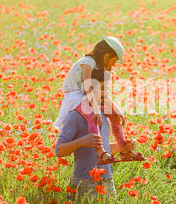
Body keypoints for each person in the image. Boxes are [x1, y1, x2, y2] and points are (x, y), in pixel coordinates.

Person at [54, 70, 138, 202]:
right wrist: (81, 142)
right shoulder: (75, 116)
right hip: (85, 182)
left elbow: (103, 146)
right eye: (103, 88)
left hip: (107, 181)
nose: (106, 94)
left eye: (108, 89)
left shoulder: (104, 114)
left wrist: (122, 147)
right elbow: (59, 150)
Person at [53, 36, 126, 164]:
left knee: (114, 115)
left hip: (87, 96)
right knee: (92, 114)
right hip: (75, 96)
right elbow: (87, 86)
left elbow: (104, 94)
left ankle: (123, 147)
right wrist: (96, 108)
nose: (114, 65)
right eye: (114, 61)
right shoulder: (88, 61)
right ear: (106, 56)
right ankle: (100, 152)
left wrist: (117, 111)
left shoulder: (99, 67)